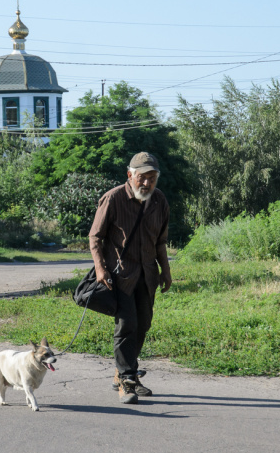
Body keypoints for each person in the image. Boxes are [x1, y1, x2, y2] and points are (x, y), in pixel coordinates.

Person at [88, 152, 172, 404]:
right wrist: (100, 269)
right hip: (120, 276)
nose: (146, 183)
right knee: (127, 325)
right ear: (130, 175)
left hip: (148, 275)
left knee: (143, 324)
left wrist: (166, 271)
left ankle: (124, 372)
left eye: (152, 178)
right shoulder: (113, 198)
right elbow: (95, 237)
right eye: (142, 177)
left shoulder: (159, 200)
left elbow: (161, 241)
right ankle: (127, 380)